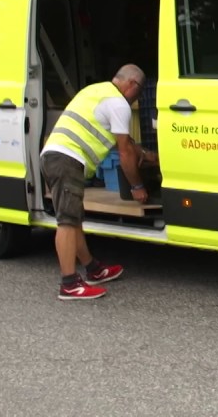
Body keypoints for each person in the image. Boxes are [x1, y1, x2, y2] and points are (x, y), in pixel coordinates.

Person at [40, 64, 160, 300]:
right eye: (140, 91)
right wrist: (137, 187)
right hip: (67, 159)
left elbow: (126, 143)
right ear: (132, 85)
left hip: (57, 156)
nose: (138, 97)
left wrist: (147, 156)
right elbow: (124, 152)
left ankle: (93, 269)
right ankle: (69, 284)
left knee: (74, 219)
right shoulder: (118, 104)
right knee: (67, 221)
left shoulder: (96, 91)